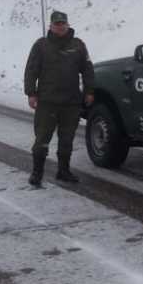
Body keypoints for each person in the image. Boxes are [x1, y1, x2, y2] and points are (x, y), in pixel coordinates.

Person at [23, 10, 95, 186]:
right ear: (51, 26)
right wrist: (31, 93)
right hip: (47, 102)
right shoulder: (41, 45)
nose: (60, 27)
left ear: (67, 24)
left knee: (67, 139)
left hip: (71, 103)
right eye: (56, 24)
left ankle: (63, 171)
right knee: (41, 140)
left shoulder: (78, 45)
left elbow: (87, 70)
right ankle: (37, 173)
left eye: (63, 23)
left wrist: (89, 91)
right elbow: (31, 70)